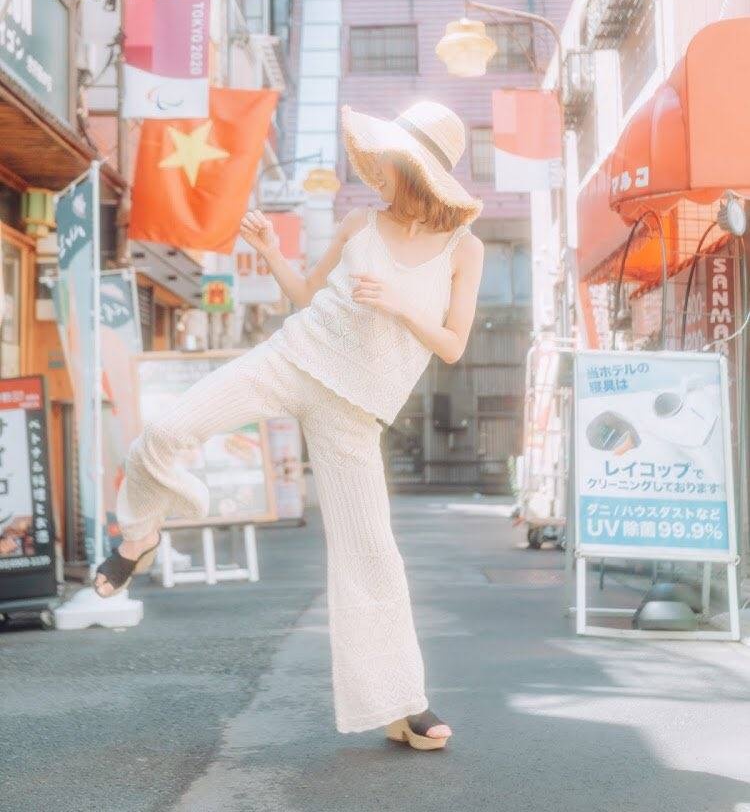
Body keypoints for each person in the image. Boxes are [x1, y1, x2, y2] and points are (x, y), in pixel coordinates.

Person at [93, 100, 485, 751]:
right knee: (164, 431)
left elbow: (452, 345)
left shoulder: (464, 250)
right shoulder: (360, 221)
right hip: (292, 359)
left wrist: (399, 306)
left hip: (353, 408)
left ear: (418, 171)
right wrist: (273, 253)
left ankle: (403, 704)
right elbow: (306, 295)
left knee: (371, 556)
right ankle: (140, 535)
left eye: (388, 163)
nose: (376, 172)